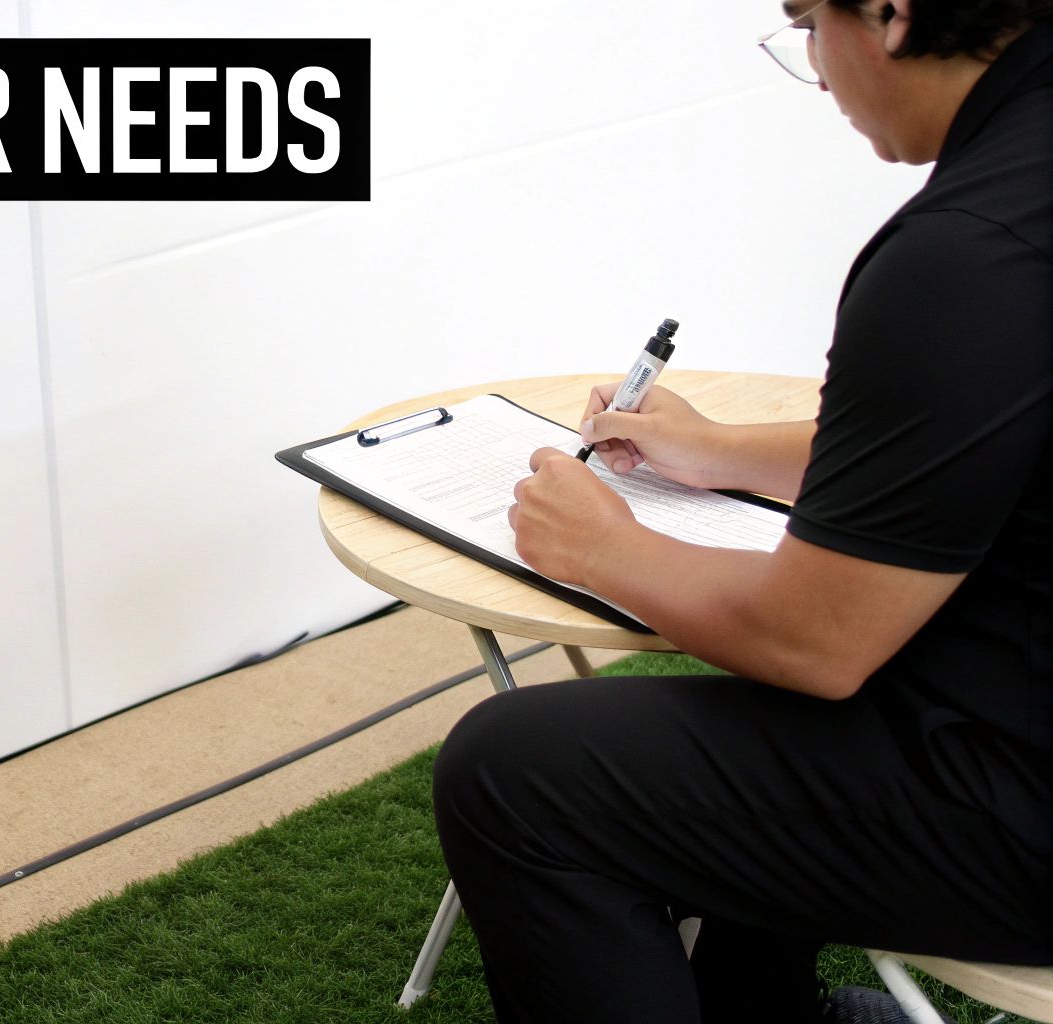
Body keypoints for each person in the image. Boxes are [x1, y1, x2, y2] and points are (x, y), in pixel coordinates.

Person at [430, 0, 1053, 1020]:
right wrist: (715, 451)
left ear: (889, 13)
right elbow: (975, 439)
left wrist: (606, 546)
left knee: (512, 772)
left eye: (807, 24)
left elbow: (815, 639)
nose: (813, 68)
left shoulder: (966, 250)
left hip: (1017, 812)